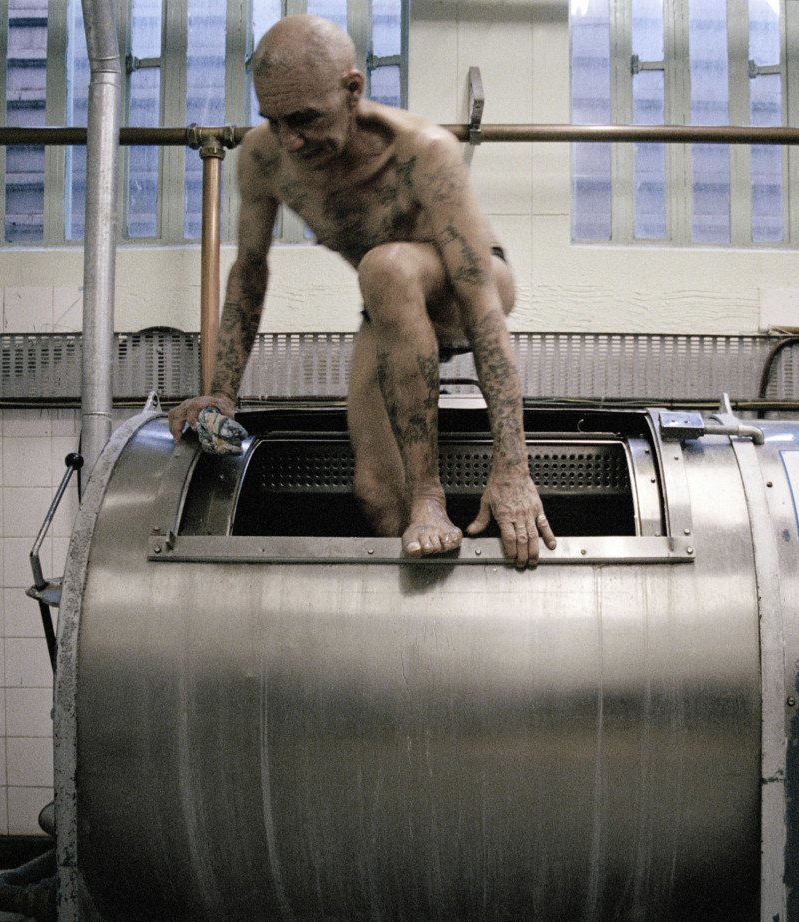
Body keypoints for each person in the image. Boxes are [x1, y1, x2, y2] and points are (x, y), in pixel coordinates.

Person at [168, 14, 555, 569]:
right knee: (373, 491)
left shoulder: (421, 150)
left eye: (305, 118)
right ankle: (424, 599)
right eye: (274, 120)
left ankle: (429, 498)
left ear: (352, 89)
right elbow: (249, 272)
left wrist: (513, 467)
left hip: (469, 284)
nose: (290, 139)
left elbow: (483, 305)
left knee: (386, 267)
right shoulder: (264, 158)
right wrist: (221, 394)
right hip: (388, 307)